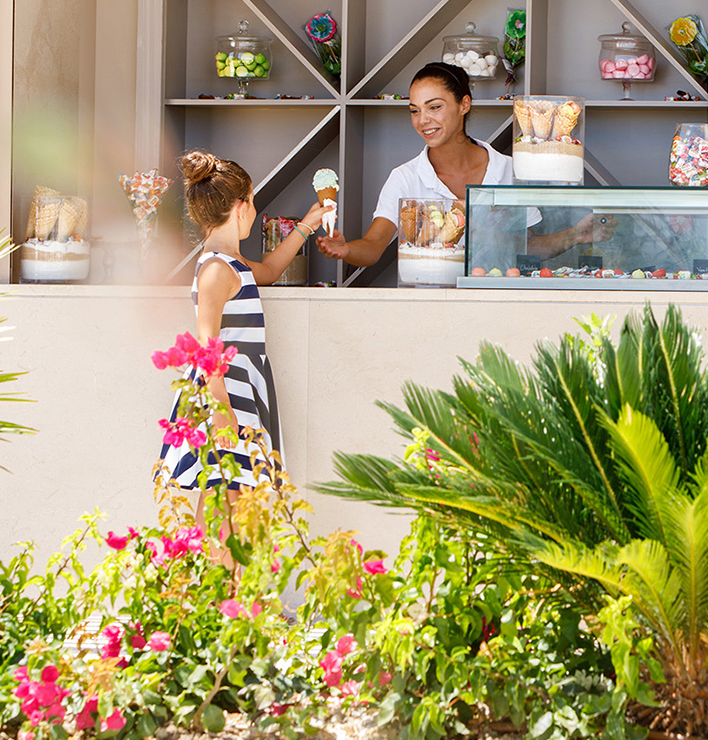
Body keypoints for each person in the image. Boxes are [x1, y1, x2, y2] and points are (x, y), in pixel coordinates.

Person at [316, 62, 606, 267]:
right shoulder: (405, 178)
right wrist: (347, 249)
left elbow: (527, 247)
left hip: (496, 304)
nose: (422, 120)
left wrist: (576, 235)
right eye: (414, 111)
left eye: (435, 107)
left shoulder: (508, 171)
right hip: (428, 308)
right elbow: (374, 246)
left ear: (464, 104)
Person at [160, 150, 328, 500]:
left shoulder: (231, 263)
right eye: (253, 201)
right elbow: (207, 344)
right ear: (241, 207)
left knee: (233, 496)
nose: (254, 210)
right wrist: (220, 407)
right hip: (225, 390)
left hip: (238, 387)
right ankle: (215, 558)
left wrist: (307, 226)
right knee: (226, 495)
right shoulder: (216, 269)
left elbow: (269, 271)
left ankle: (221, 558)